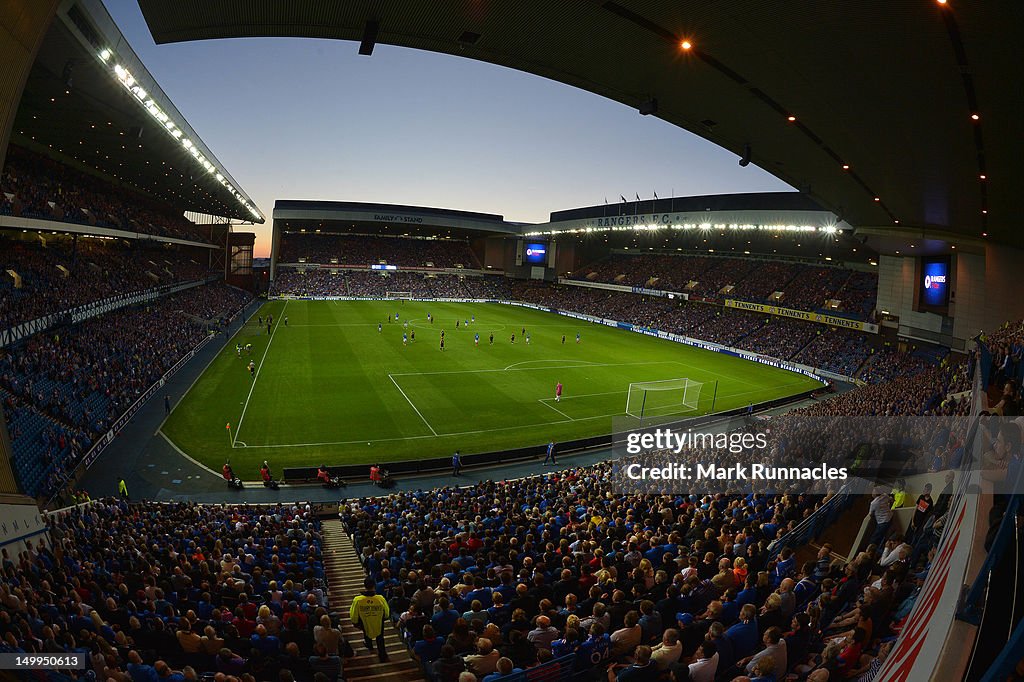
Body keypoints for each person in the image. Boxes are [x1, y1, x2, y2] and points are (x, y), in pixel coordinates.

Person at [351, 577, 390, 662]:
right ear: (374, 585)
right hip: (378, 622)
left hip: (365, 622)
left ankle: (369, 645)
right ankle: (382, 655)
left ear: (365, 586)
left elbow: (353, 614)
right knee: (380, 638)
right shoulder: (380, 598)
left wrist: (355, 622)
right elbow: (387, 613)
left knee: (366, 634)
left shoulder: (357, 600)